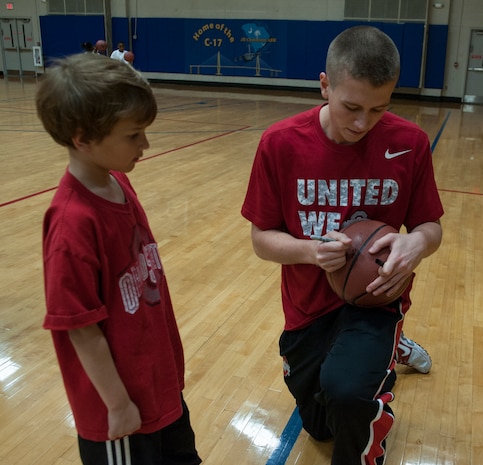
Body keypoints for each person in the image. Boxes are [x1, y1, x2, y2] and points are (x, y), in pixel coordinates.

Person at [241, 26, 443, 465]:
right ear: (324, 85)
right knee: (321, 424)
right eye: (351, 106)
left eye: (378, 109)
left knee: (349, 395)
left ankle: (378, 362)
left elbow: (430, 224)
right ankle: (392, 352)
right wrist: (311, 252)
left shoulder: (409, 143)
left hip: (376, 300)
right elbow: (261, 240)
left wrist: (417, 243)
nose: (361, 123)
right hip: (308, 305)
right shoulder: (280, 143)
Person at [37, 53, 202, 465]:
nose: (145, 144)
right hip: (122, 409)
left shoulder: (118, 181)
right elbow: (81, 330)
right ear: (83, 138)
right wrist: (118, 404)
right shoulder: (71, 225)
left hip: (158, 386)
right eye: (133, 135)